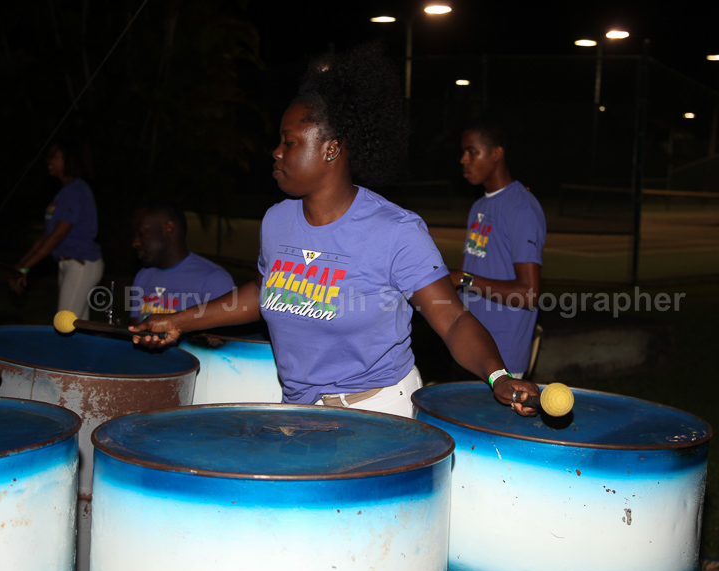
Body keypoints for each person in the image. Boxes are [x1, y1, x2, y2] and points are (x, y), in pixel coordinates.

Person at [132, 42, 539, 417]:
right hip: (300, 409)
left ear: (331, 149)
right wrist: (178, 321)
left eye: (289, 142)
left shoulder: (395, 231)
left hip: (378, 412)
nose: (276, 151)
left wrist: (497, 376)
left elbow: (451, 319)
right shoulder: (277, 221)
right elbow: (263, 290)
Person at [449, 117, 546, 378]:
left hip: (501, 357)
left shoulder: (521, 208)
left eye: (472, 151)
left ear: (496, 154)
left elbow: (529, 294)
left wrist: (463, 279)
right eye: (463, 151)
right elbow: (470, 272)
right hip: (470, 347)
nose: (463, 159)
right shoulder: (479, 206)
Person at [11, 139, 103, 319]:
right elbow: (47, 235)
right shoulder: (65, 192)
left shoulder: (76, 191)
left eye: (53, 156)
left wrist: (25, 267)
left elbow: (57, 237)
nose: (48, 161)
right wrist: (21, 264)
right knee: (77, 326)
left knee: (64, 323)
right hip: (69, 263)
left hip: (81, 264)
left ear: (69, 159)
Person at [128, 202, 235, 324]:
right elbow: (135, 328)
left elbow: (226, 333)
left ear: (168, 228)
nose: (135, 243)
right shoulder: (143, 276)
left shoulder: (214, 279)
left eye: (141, 233)